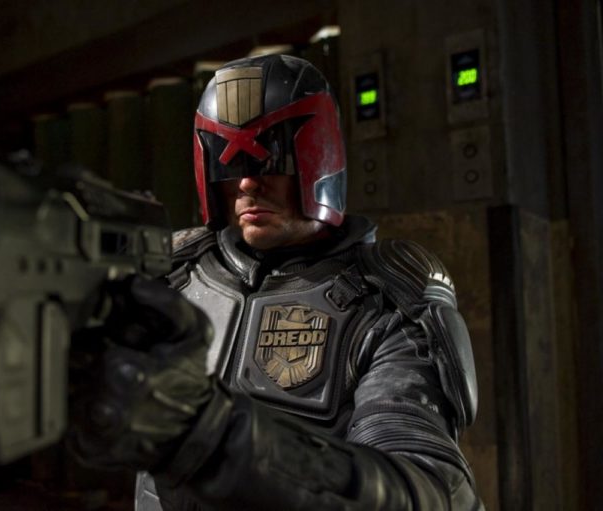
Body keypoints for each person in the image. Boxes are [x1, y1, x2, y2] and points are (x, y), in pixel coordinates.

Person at [70, 54, 483, 510]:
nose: (248, 183)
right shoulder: (171, 271)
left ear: (317, 158)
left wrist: (209, 435)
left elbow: (429, 492)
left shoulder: (386, 300)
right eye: (229, 162)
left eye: (272, 158)